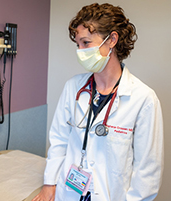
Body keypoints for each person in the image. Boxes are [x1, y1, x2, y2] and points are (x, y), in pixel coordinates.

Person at [33, 3, 163, 201]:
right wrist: (49, 185)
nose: (80, 51)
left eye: (86, 43)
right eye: (78, 44)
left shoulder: (143, 99)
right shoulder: (73, 88)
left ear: (112, 39)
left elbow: (147, 171)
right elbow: (59, 141)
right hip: (69, 193)